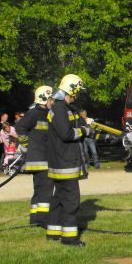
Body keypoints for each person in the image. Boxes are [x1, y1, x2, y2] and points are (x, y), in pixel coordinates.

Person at [46, 75, 91, 246]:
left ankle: (53, 232)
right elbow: (66, 134)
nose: (77, 97)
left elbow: (78, 124)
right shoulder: (59, 109)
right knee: (71, 200)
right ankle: (70, 238)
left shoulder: (67, 108)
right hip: (65, 163)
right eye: (76, 93)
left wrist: (88, 125)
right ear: (71, 90)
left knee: (58, 198)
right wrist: (84, 131)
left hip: (63, 162)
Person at [16, 86, 54, 227]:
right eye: (51, 99)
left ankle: (35, 217)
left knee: (39, 190)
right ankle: (43, 219)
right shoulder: (34, 113)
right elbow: (20, 128)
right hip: (41, 160)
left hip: (40, 159)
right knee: (45, 190)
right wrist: (25, 145)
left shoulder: (45, 114)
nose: (52, 101)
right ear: (45, 99)